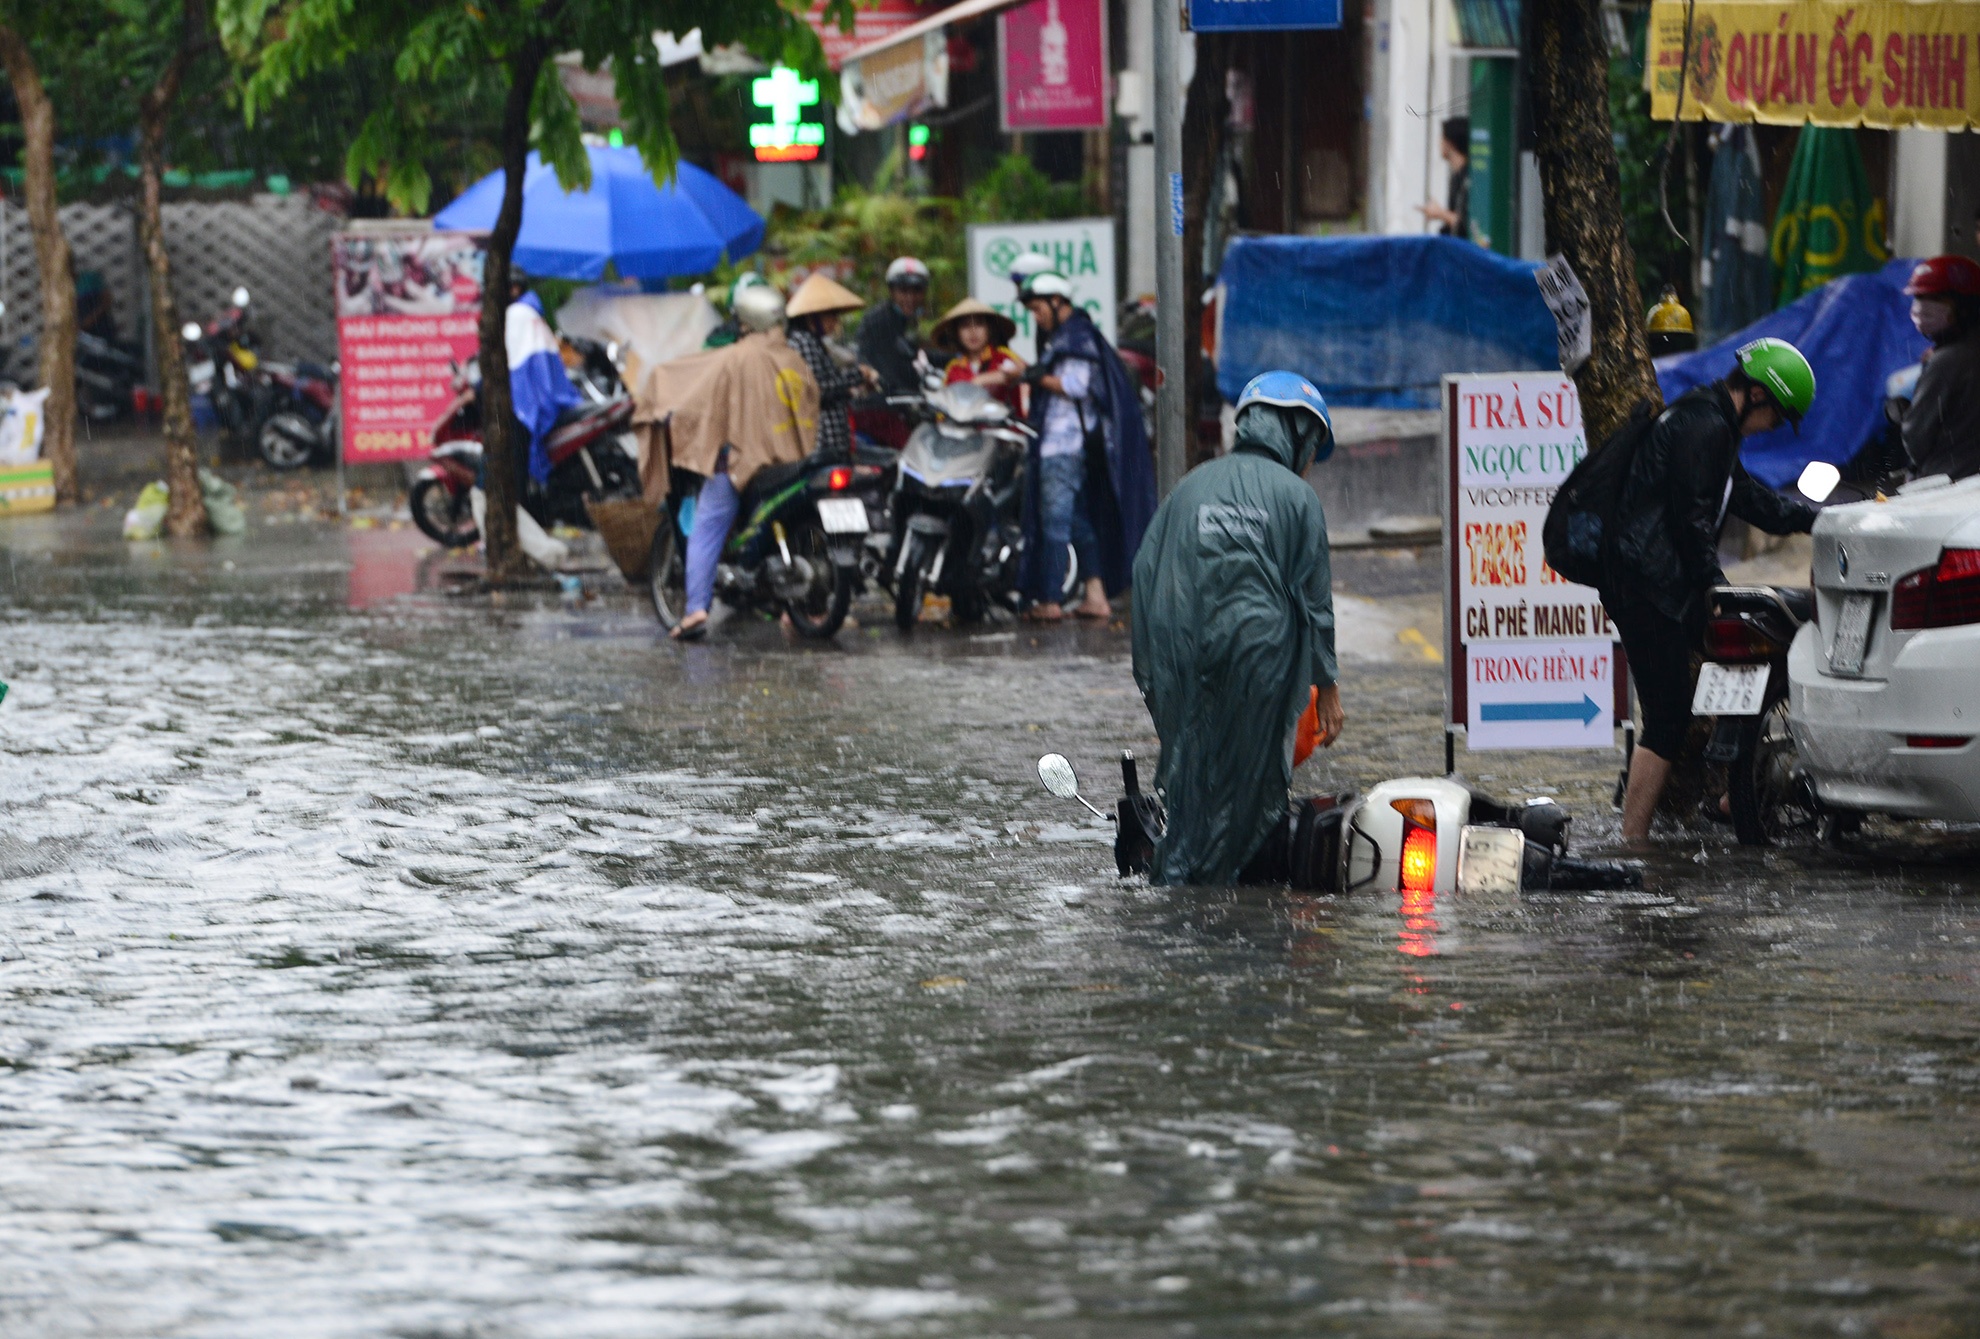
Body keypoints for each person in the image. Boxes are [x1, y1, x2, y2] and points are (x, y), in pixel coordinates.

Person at [1131, 372, 1345, 886]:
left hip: (1180, 650)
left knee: (1190, 767)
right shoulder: (1297, 498)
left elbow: (1144, 573)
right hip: (1258, 656)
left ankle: (1177, 877)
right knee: (1253, 778)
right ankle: (1235, 890)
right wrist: (1330, 687)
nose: (1311, 461)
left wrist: (1154, 672)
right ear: (1298, 436)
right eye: (1312, 448)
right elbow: (1314, 602)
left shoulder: (1191, 485)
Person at [1604, 337, 1819, 841]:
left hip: (1660, 583)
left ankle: (1733, 790)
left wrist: (1818, 520)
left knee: (1749, 647)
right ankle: (1633, 841)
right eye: (1778, 416)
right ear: (1761, 396)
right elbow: (1690, 522)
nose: (1772, 428)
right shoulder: (1704, 428)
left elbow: (1748, 499)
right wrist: (1715, 586)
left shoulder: (1716, 424)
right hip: (1645, 587)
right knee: (1669, 712)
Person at [1016, 270, 1158, 621]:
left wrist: (1038, 377)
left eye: (1038, 309)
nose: (1036, 317)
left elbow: (1078, 386)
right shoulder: (1069, 337)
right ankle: (1096, 596)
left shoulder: (1076, 338)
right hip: (1066, 447)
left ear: (1057, 302)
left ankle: (1050, 599)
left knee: (1055, 522)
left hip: (1063, 446)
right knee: (1078, 521)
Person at [671, 283, 808, 641]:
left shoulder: (734, 358)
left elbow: (708, 406)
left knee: (706, 528)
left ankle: (696, 609)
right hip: (793, 463)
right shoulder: (793, 357)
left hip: (745, 463)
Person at [1899, 254, 1980, 483]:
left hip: (1946, 484)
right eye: (1920, 297)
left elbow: (1916, 438)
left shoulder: (1948, 361)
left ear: (1965, 304)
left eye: (1935, 298)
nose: (1922, 307)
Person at [785, 273, 877, 462]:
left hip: (833, 442)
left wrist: (853, 389)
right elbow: (818, 389)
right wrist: (857, 375)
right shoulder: (803, 342)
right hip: (822, 441)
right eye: (831, 316)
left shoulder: (814, 342)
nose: (835, 322)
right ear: (814, 316)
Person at [931, 298, 1025, 414]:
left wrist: (983, 379)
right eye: (965, 326)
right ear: (956, 333)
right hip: (965, 431)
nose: (973, 331)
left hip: (1004, 430)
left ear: (989, 329)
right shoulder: (953, 369)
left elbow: (1026, 371)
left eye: (979, 324)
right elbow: (942, 410)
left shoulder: (1003, 355)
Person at [858, 256, 930, 396]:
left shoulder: (910, 320)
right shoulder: (878, 321)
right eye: (903, 291)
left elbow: (918, 355)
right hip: (885, 403)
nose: (910, 298)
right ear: (892, 291)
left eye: (916, 291)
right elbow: (886, 365)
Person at [1417, 118, 1471, 240]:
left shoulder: (1469, 179)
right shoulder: (1456, 176)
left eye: (1441, 138)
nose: (1438, 143)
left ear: (1449, 143)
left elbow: (1466, 224)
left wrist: (1440, 213)